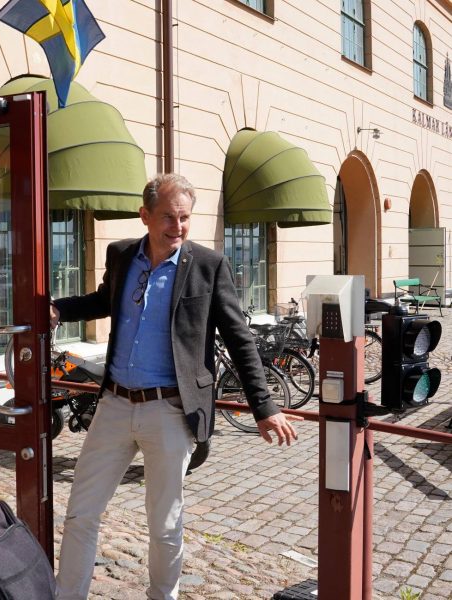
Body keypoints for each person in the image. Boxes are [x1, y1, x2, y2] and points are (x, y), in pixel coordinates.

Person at [52, 173, 301, 600]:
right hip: (114, 405)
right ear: (145, 215)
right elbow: (102, 300)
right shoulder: (121, 254)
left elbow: (239, 338)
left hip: (169, 410)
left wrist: (264, 406)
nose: (178, 226)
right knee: (81, 513)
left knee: (164, 525)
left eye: (185, 217)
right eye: (168, 216)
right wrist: (58, 308)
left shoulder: (208, 265)